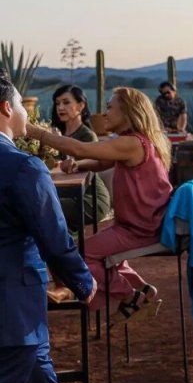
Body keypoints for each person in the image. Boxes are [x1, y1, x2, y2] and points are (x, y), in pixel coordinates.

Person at [0, 72, 109, 383]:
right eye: (21, 104)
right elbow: (54, 236)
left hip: (19, 318)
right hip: (12, 310)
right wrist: (82, 280)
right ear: (6, 108)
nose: (24, 111)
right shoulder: (23, 166)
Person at [25, 87, 173, 324]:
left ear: (128, 112)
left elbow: (79, 148)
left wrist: (32, 130)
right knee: (92, 252)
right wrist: (80, 165)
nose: (105, 113)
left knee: (77, 256)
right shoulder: (138, 142)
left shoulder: (132, 143)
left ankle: (130, 297)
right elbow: (103, 162)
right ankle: (142, 290)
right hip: (141, 225)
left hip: (140, 230)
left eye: (110, 107)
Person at [50, 84, 111, 233]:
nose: (60, 107)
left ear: (81, 105)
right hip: (65, 193)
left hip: (89, 198)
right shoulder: (56, 134)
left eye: (66, 102)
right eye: (57, 103)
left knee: (44, 207)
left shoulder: (87, 136)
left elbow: (81, 167)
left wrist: (59, 143)